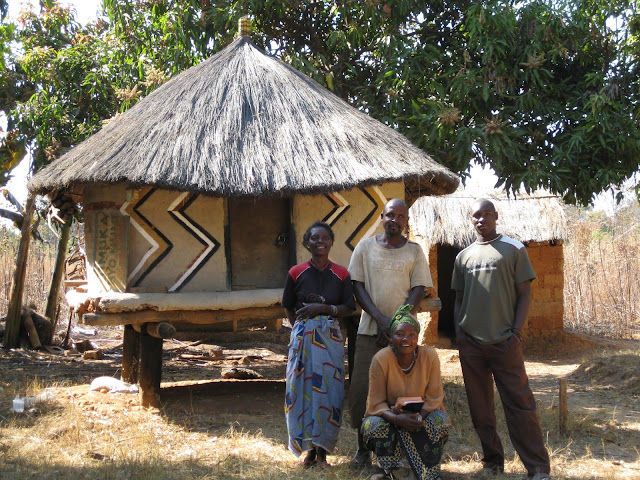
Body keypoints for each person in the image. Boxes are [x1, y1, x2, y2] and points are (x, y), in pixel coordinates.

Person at [451, 198, 552, 479]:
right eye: (476, 216)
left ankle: (538, 467)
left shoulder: (514, 249)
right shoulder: (464, 257)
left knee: (520, 404)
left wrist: (516, 333)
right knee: (480, 407)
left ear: (496, 216)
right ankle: (493, 461)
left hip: (504, 342)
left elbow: (525, 293)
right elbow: (458, 298)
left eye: (486, 214)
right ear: (471, 220)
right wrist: (460, 333)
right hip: (471, 344)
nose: (481, 220)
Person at [347, 198, 433, 468]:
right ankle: (363, 449)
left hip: (405, 337)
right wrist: (381, 320)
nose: (395, 219)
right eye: (390, 215)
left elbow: (419, 289)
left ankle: (403, 452)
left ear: (407, 221)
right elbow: (357, 286)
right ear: (382, 217)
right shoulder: (365, 246)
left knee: (404, 391)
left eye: (401, 216)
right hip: (370, 330)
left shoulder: (415, 252)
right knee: (362, 390)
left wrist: (396, 323)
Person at [282, 221, 355, 468]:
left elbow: (348, 307)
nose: (320, 242)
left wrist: (323, 309)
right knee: (300, 389)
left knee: (329, 392)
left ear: (331, 242)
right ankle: (308, 451)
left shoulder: (342, 274)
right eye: (314, 238)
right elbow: (288, 305)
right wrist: (300, 330)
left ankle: (322, 452)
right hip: (302, 338)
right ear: (307, 243)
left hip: (329, 339)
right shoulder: (296, 272)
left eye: (325, 238)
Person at [361, 305, 450, 480]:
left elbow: (434, 397)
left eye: (412, 334)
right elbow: (375, 403)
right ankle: (390, 470)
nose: (406, 339)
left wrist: (418, 418)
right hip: (391, 416)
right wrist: (396, 418)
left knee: (440, 421)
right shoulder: (381, 359)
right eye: (399, 334)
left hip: (421, 416)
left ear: (418, 337)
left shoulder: (429, 356)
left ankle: (426, 469)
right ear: (391, 337)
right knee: (371, 425)